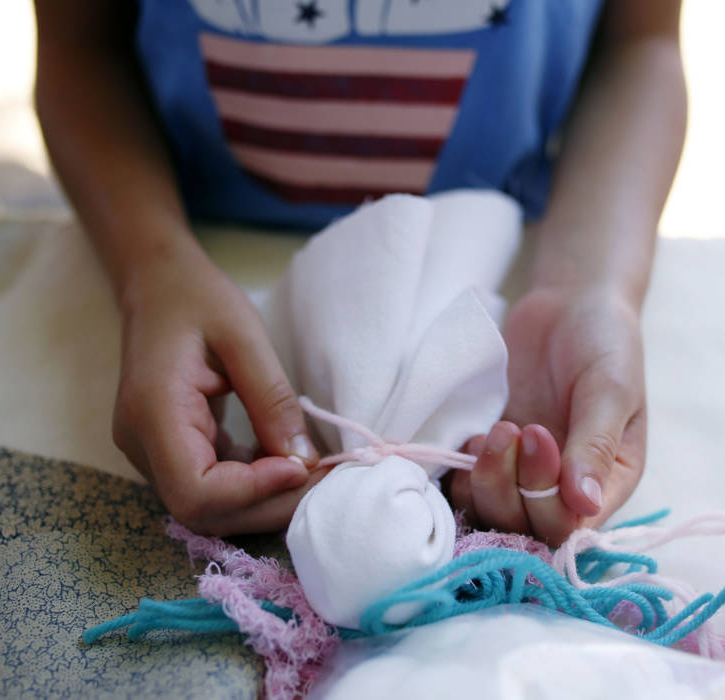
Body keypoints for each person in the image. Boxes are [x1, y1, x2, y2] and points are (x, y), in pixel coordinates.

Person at [33, 0, 686, 547]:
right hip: (183, 242)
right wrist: (151, 269)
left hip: (519, 260)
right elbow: (82, 45)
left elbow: (639, 44)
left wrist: (591, 287)